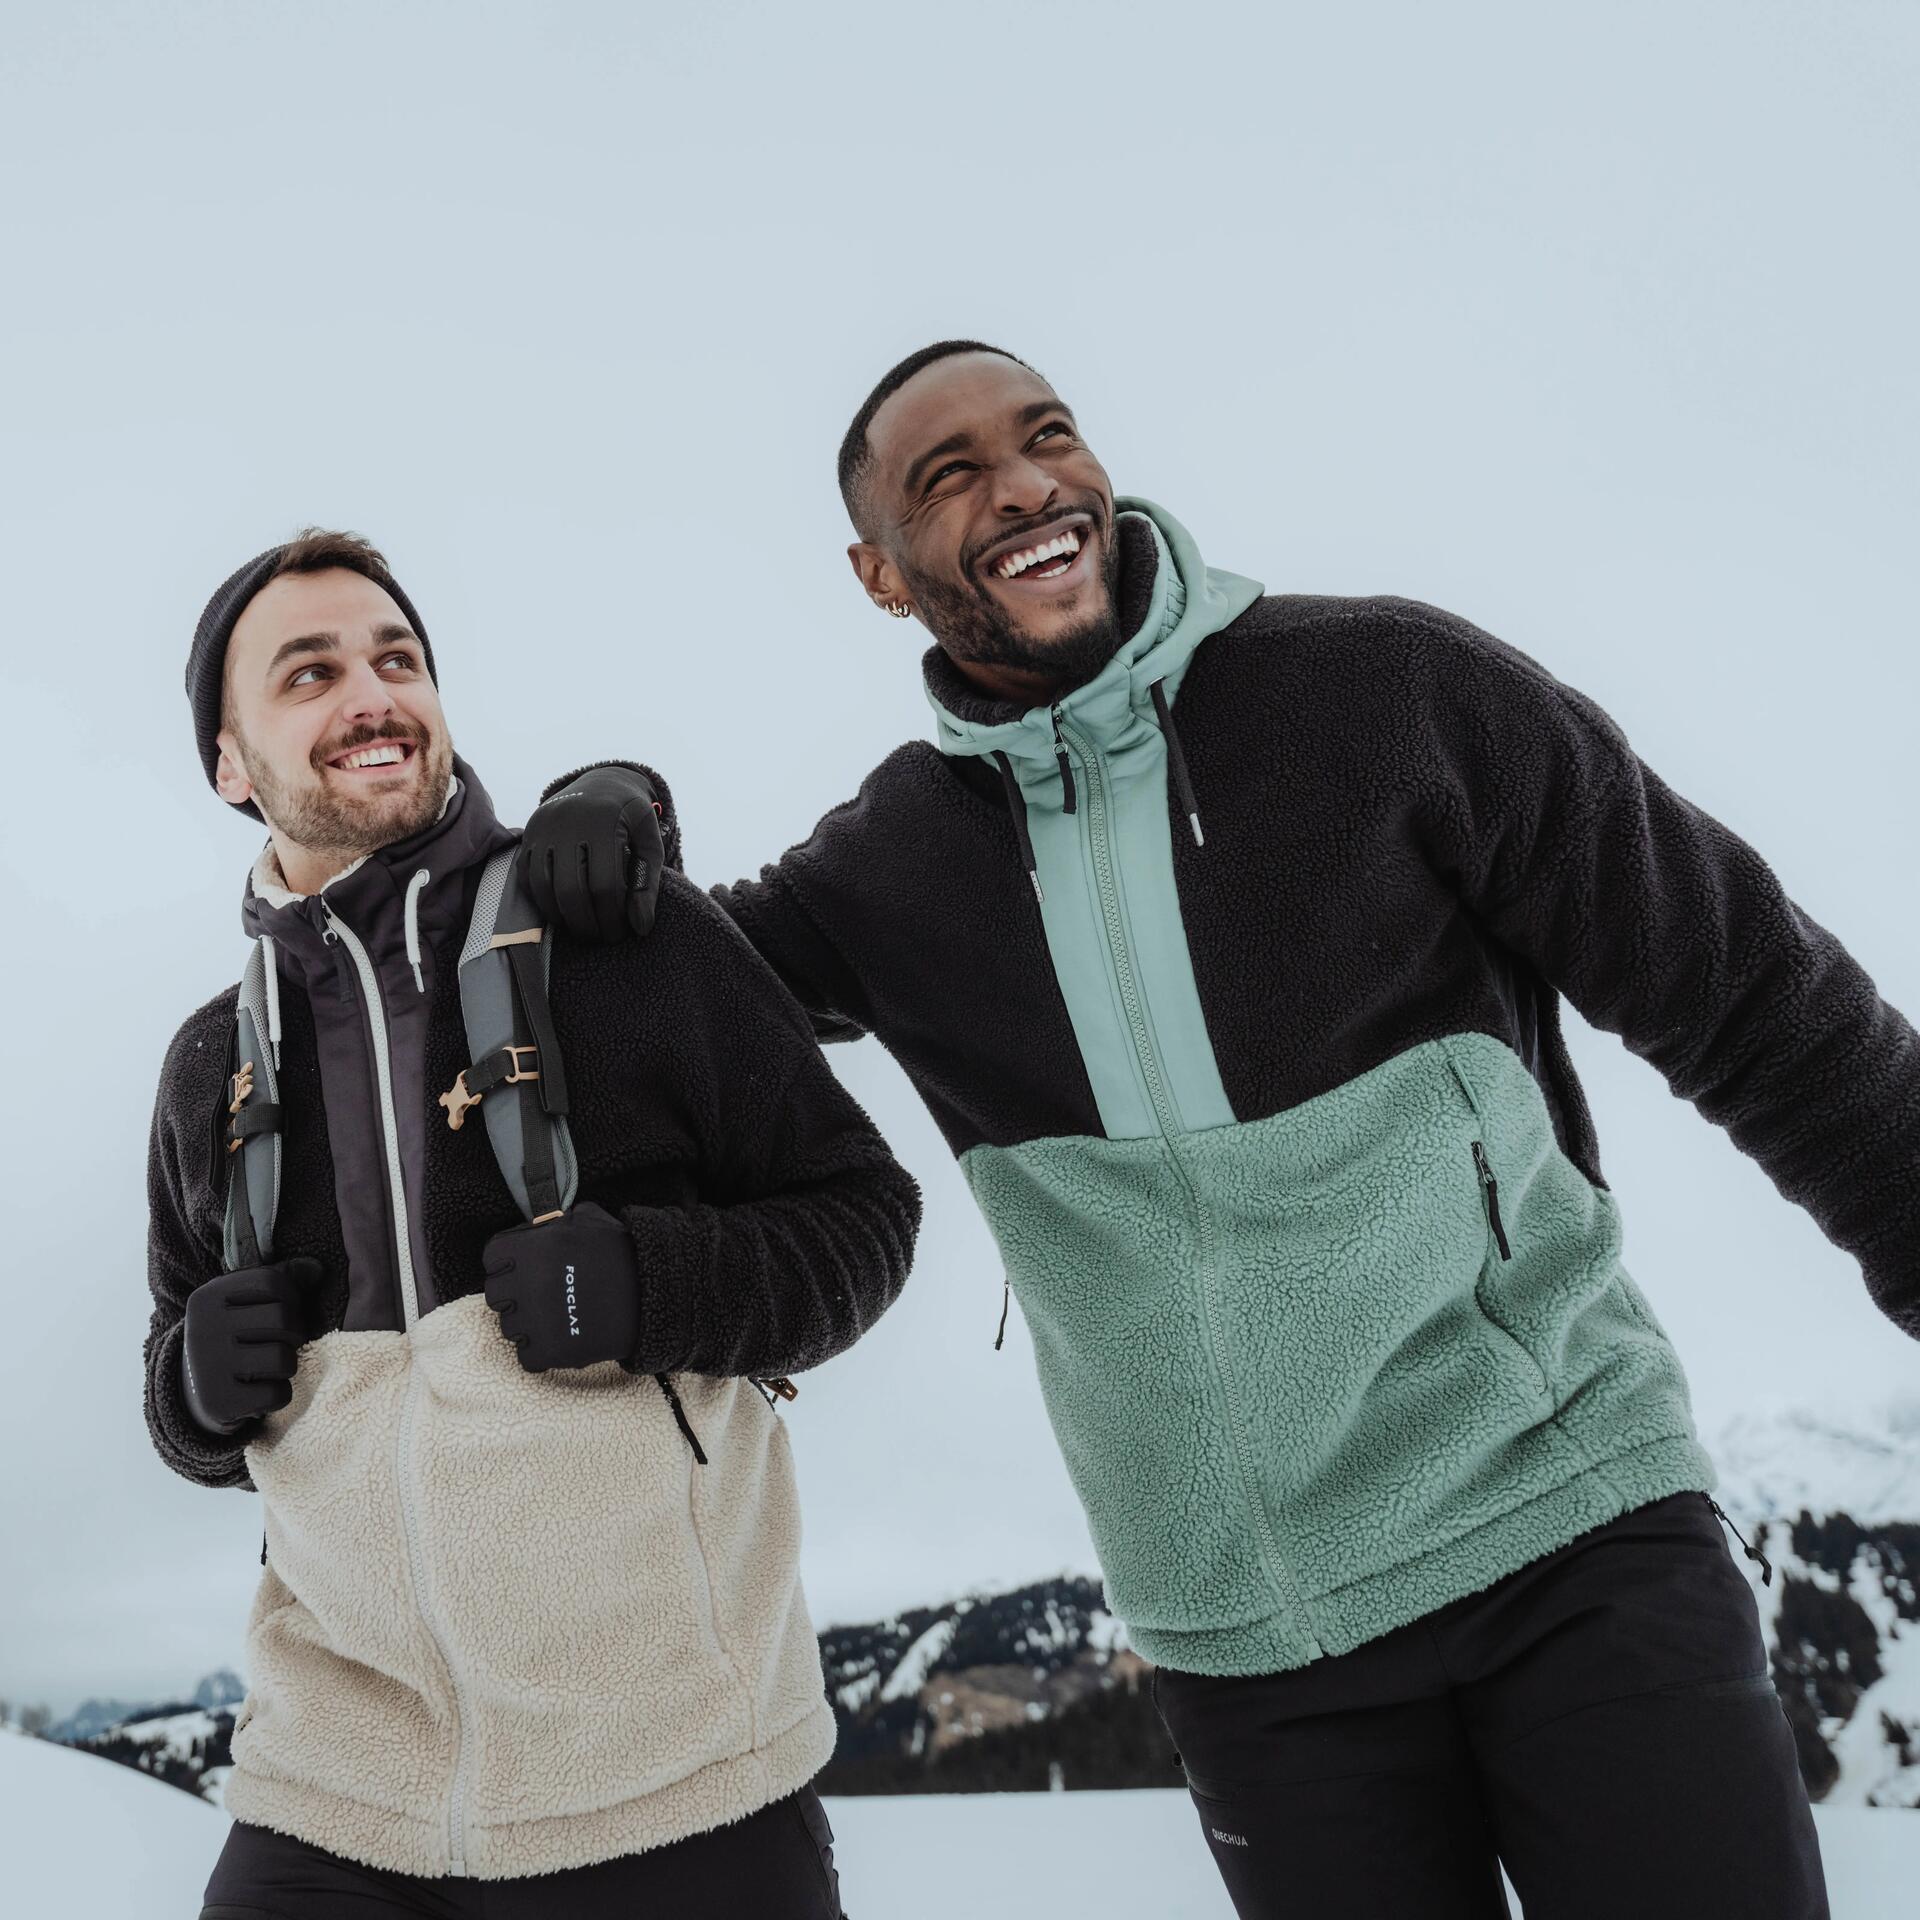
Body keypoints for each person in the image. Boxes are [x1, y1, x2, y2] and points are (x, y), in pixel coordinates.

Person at [520, 341, 1920, 1917]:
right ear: (880, 574)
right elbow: (668, 1017)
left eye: (1046, 436)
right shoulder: (890, 873)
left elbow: (1754, 995)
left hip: (1573, 1528)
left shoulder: (1397, 693)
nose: (1028, 485)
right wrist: (613, 802)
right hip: (1255, 1645)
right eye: (952, 475)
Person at [145, 528, 921, 1917]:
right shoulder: (213, 1065)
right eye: (308, 673)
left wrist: (654, 1284)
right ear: (229, 761)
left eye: (398, 659)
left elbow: (865, 1217)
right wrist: (192, 1392)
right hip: (331, 1793)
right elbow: (180, 1384)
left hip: (672, 1780)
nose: (373, 695)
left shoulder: (626, 940)